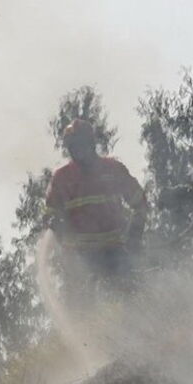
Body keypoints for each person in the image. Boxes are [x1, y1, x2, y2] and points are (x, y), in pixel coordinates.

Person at [45, 119, 148, 289]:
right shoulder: (62, 178)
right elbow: (50, 214)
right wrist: (58, 228)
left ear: (91, 143)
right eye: (74, 146)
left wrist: (134, 234)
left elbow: (139, 202)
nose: (78, 151)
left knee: (131, 299)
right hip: (80, 262)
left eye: (81, 145)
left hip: (115, 256)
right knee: (80, 311)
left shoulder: (113, 169)